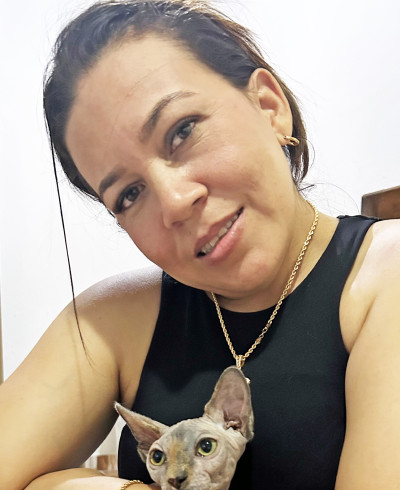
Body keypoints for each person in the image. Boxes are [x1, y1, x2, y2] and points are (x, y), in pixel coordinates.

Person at [1, 0, 400, 488]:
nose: (174, 202)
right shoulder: (110, 320)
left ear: (269, 108)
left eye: (182, 131)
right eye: (129, 194)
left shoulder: (387, 274)